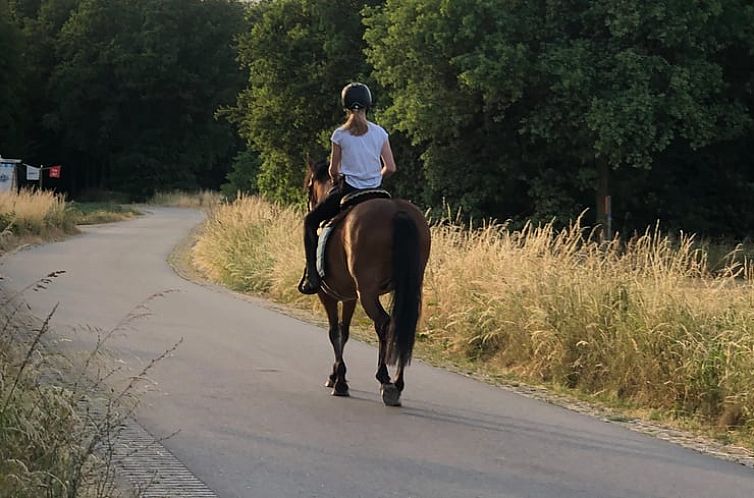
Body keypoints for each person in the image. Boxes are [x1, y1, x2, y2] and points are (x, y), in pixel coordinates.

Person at [298, 82, 397, 295]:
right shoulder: (380, 133)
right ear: (368, 105)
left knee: (310, 221)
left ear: (345, 107)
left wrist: (336, 178)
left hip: (349, 190)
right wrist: (374, 178)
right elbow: (390, 167)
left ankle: (312, 276)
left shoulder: (339, 135)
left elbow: (333, 170)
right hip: (376, 192)